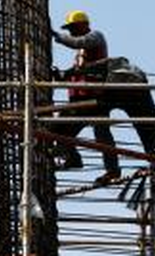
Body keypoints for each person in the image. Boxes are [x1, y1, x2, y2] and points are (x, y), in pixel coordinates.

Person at [51, 10, 121, 184]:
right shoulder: (81, 51)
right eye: (69, 29)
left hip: (95, 98)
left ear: (83, 25)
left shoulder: (95, 37)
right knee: (60, 132)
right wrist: (63, 75)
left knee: (101, 134)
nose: (71, 32)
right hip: (80, 100)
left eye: (73, 27)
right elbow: (78, 71)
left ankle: (112, 170)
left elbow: (77, 42)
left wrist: (57, 36)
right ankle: (73, 158)